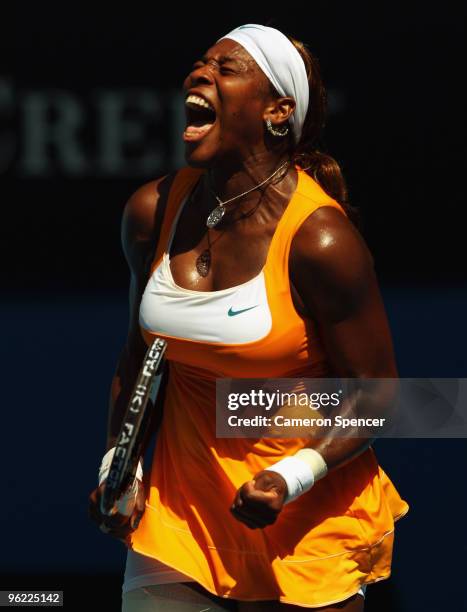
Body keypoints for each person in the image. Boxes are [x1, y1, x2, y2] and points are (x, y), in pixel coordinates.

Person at [89, 23, 408, 611]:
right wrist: (121, 465)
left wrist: (292, 476)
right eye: (199, 63)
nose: (199, 73)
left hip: (306, 529)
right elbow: (139, 360)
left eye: (226, 68)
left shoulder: (321, 240)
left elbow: (381, 396)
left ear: (277, 112)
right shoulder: (150, 211)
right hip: (179, 518)